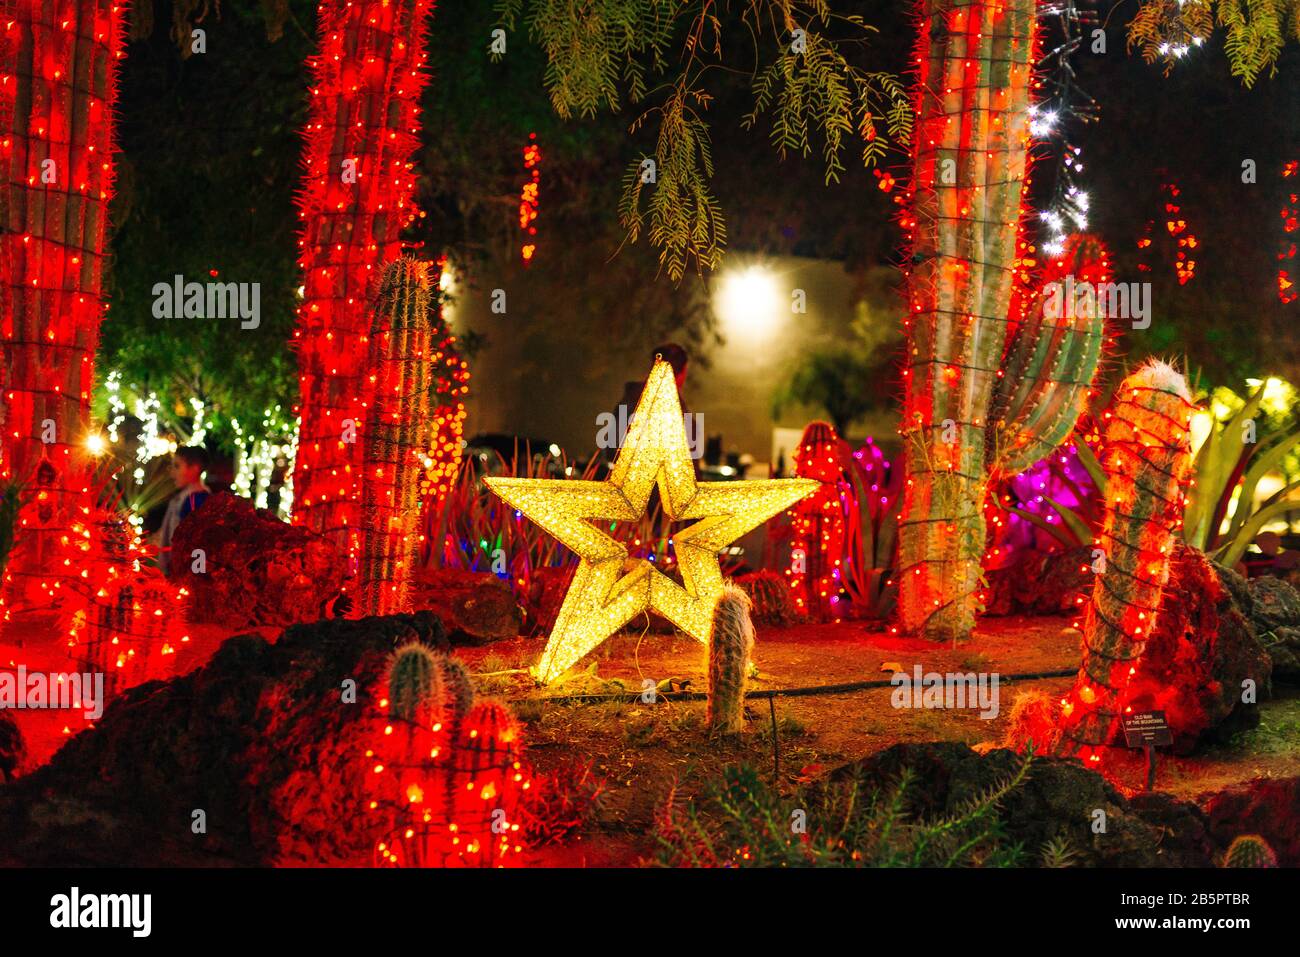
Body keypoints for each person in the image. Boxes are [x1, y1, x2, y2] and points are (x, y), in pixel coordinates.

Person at [155, 446, 211, 576]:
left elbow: (198, 543)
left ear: (195, 468)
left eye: (177, 466)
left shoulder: (197, 499)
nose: (172, 473)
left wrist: (195, 574)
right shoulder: (184, 497)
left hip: (184, 574)